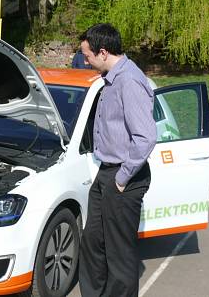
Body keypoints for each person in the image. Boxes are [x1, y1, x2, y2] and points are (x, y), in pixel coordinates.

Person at [78, 24, 156, 297]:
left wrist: (122, 178)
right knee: (92, 242)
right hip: (106, 172)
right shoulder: (111, 78)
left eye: (87, 56)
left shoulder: (129, 81)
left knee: (119, 252)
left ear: (102, 52)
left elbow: (145, 137)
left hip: (124, 176)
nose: (85, 62)